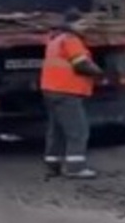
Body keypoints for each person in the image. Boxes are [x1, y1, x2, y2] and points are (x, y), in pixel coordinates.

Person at [40, 9, 103, 179]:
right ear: (70, 24)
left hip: (51, 90)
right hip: (66, 91)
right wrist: (99, 73)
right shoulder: (71, 40)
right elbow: (81, 65)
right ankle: (75, 168)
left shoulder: (55, 39)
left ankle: (53, 164)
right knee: (78, 130)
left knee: (57, 130)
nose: (85, 27)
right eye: (81, 24)